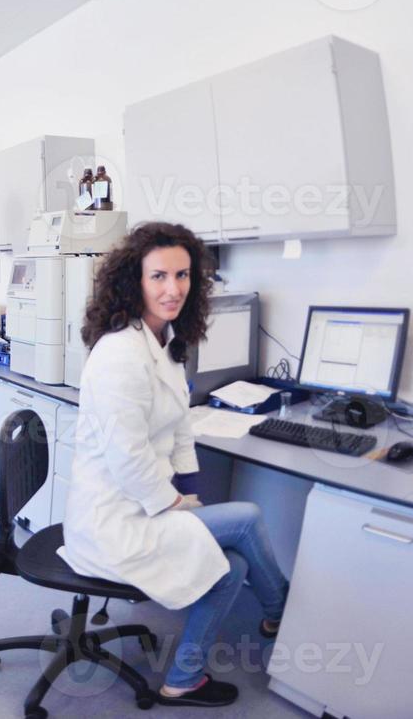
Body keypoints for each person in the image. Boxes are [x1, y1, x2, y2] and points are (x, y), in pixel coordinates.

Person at [60, 221, 290, 707]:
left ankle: (184, 678)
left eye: (183, 276)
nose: (174, 288)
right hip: (115, 521)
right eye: (159, 276)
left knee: (231, 565)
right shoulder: (121, 354)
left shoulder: (161, 342)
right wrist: (176, 504)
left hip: (142, 505)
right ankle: (281, 611)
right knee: (245, 520)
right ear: (134, 281)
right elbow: (128, 458)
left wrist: (188, 486)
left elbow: (180, 423)